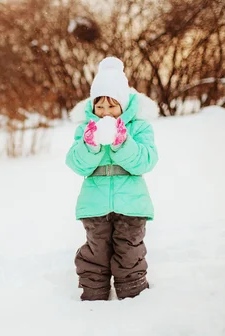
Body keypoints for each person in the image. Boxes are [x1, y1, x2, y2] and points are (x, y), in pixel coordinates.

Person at [65, 56, 159, 301]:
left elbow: (146, 161)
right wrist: (90, 145)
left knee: (129, 250)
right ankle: (94, 294)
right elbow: (76, 163)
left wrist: (122, 143)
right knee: (97, 250)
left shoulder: (139, 128)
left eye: (112, 106)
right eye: (100, 107)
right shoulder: (85, 128)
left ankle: (133, 295)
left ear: (124, 105)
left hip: (132, 203)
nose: (105, 112)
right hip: (94, 203)